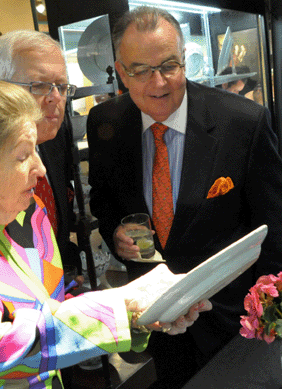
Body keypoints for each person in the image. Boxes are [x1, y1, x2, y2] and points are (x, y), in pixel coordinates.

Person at [0, 80, 211, 388]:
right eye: (23, 156)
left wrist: (141, 313)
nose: (40, 168)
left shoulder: (27, 211)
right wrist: (122, 304)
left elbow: (51, 303)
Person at [87, 5, 282, 388]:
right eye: (141, 70)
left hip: (232, 317)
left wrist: (269, 316)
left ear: (185, 61)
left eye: (169, 65)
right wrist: (115, 234)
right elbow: (104, 199)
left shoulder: (242, 122)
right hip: (157, 316)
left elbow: (274, 226)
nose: (158, 83)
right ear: (121, 71)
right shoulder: (104, 122)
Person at [0, 30, 83, 282]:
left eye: (61, 86)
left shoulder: (53, 136)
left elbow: (57, 217)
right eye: (40, 86)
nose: (57, 98)